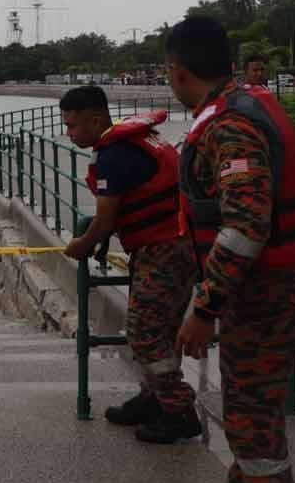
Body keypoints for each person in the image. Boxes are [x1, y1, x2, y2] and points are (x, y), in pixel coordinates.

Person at [167, 16, 295, 483]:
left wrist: (204, 308)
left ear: (177, 70)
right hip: (263, 292)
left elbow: (247, 225)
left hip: (265, 297)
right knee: (249, 413)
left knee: (253, 422)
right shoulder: (241, 107)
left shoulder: (230, 125)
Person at [61, 86, 201, 443]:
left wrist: (81, 245)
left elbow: (105, 219)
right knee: (160, 330)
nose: (68, 133)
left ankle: (178, 409)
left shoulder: (114, 155)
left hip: (164, 250)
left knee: (144, 332)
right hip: (173, 245)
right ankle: (153, 399)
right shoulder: (134, 141)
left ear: (96, 121)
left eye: (72, 126)